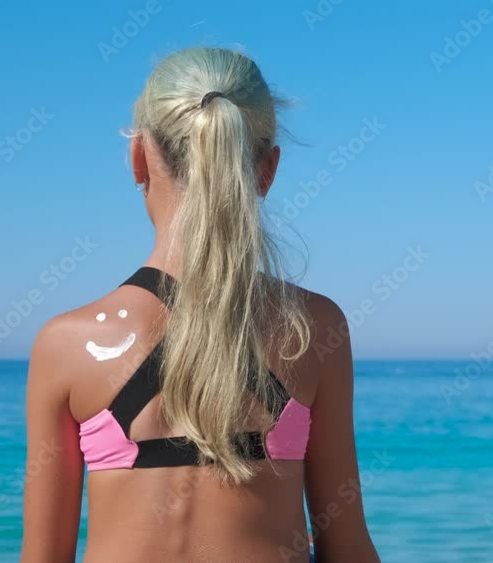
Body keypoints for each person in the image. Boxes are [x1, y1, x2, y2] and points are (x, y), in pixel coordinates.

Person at [21, 47, 380, 563]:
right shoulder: (313, 329)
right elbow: (347, 548)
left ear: (139, 157)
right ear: (267, 168)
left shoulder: (67, 344)